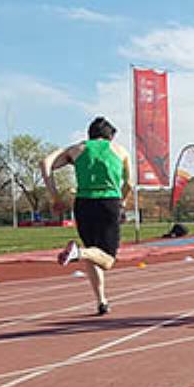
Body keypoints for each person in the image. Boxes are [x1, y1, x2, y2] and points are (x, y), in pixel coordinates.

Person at [41, 116, 132, 316]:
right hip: (109, 202)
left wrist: (55, 197)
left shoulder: (77, 149)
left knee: (93, 252)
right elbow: (130, 184)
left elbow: (45, 163)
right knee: (107, 260)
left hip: (83, 204)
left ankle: (101, 301)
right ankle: (77, 253)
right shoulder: (120, 150)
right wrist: (123, 202)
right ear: (110, 136)